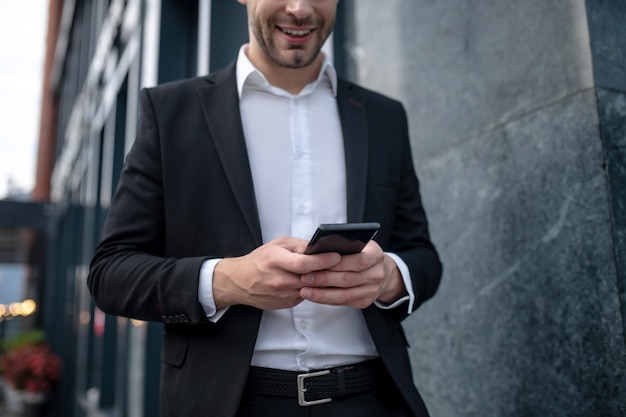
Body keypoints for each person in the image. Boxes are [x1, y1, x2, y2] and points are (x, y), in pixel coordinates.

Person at [87, 0, 442, 416]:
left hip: (374, 399)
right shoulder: (170, 112)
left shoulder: (384, 116)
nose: (299, 8)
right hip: (229, 403)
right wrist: (227, 281)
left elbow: (423, 257)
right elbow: (110, 275)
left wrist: (388, 279)